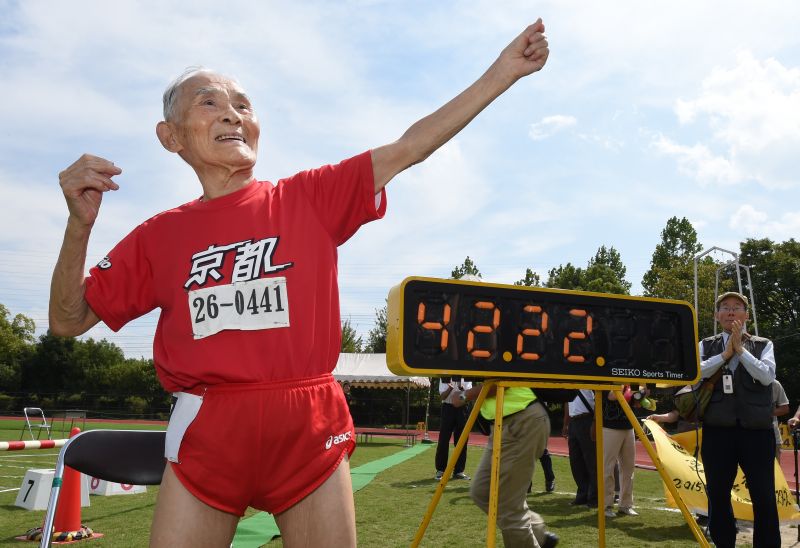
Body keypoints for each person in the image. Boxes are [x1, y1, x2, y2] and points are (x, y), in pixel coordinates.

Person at [48, 21, 550, 547]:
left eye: (244, 104)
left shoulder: (306, 198)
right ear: (170, 136)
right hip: (209, 430)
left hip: (308, 425)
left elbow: (409, 147)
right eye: (209, 102)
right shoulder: (159, 236)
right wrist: (78, 225)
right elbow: (68, 318)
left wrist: (504, 72)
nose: (232, 114)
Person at [699, 292, 780, 548]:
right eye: (725, 307)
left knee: (764, 496)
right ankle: (723, 544)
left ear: (746, 316)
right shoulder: (706, 344)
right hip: (717, 430)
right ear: (717, 316)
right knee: (718, 494)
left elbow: (767, 376)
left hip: (756, 432)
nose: (731, 311)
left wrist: (740, 350)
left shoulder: (763, 344)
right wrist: (724, 355)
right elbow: (696, 373)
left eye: (737, 308)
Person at [458, 383, 559, 548]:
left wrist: (464, 395)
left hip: (521, 421)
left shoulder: (488, 357)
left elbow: (497, 381)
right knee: (481, 492)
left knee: (508, 505)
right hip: (501, 425)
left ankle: (534, 536)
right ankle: (538, 532)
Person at [601, 388, 638, 518]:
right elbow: (612, 395)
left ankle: (626, 505)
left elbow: (639, 398)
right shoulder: (605, 377)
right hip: (609, 427)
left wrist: (641, 392)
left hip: (629, 426)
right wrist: (629, 388)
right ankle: (606, 506)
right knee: (607, 468)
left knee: (629, 468)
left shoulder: (629, 380)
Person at [563, 389, 598, 507]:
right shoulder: (568, 381)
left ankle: (594, 498)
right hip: (574, 421)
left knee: (591, 461)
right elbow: (567, 403)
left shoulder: (588, 377)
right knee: (576, 461)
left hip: (587, 419)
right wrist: (566, 423)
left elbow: (598, 399)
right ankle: (582, 495)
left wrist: (595, 421)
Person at [435, 377, 472, 480]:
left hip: (462, 409)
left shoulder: (467, 377)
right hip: (448, 408)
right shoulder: (445, 376)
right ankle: (440, 471)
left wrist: (461, 388)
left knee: (462, 440)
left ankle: (459, 471)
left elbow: (467, 396)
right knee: (443, 440)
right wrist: (450, 389)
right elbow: (442, 397)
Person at [771, 379, 790, 458]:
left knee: (774, 469)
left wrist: (763, 413)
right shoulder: (740, 380)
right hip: (746, 436)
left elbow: (785, 408)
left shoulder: (774, 384)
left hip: (773, 437)